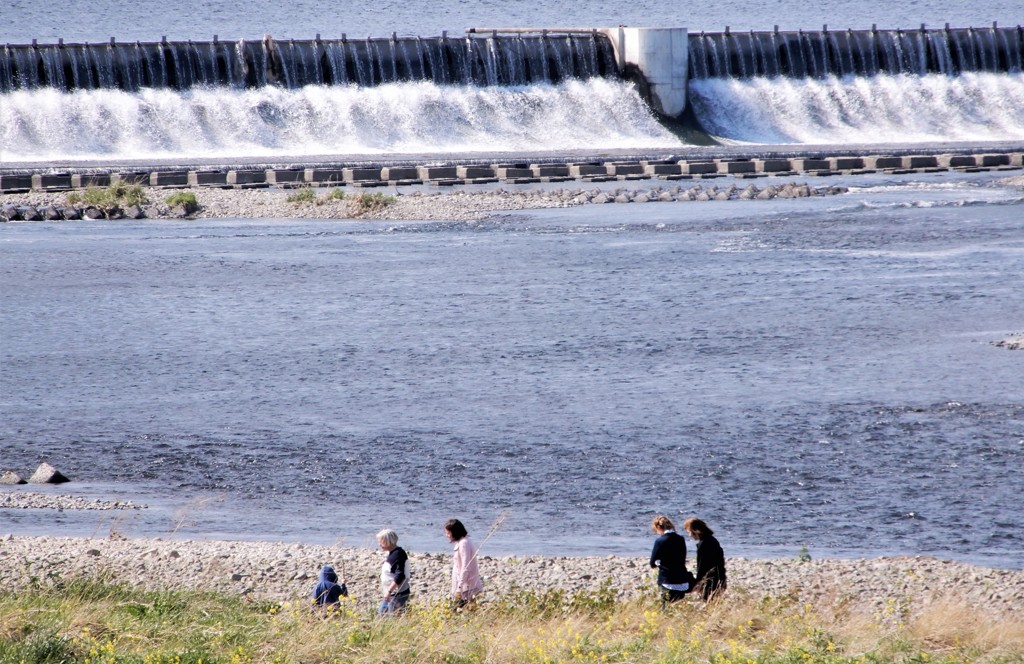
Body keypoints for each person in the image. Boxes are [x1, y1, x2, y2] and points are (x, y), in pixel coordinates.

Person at [649, 515, 693, 604]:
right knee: (677, 606)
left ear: (658, 527)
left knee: (665, 608)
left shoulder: (660, 541)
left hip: (667, 580)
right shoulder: (681, 539)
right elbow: (682, 557)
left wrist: (658, 563)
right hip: (682, 580)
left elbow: (652, 562)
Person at [683, 517, 727, 601]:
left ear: (695, 530)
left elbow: (702, 567)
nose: (689, 535)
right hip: (720, 578)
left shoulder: (703, 545)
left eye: (689, 532)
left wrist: (698, 583)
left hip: (710, 581)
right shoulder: (713, 540)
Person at [445, 518, 484, 607]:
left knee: (458, 611)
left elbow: (466, 566)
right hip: (466, 587)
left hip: (466, 588)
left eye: (448, 533)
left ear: (454, 532)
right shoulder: (464, 541)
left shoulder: (464, 543)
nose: (447, 535)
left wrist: (459, 587)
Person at [376, 528, 411, 615]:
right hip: (393, 593)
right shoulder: (393, 553)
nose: (379, 544)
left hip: (398, 593)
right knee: (382, 613)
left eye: (381, 542)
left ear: (387, 541)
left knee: (389, 615)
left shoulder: (398, 554)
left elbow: (400, 576)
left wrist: (389, 591)